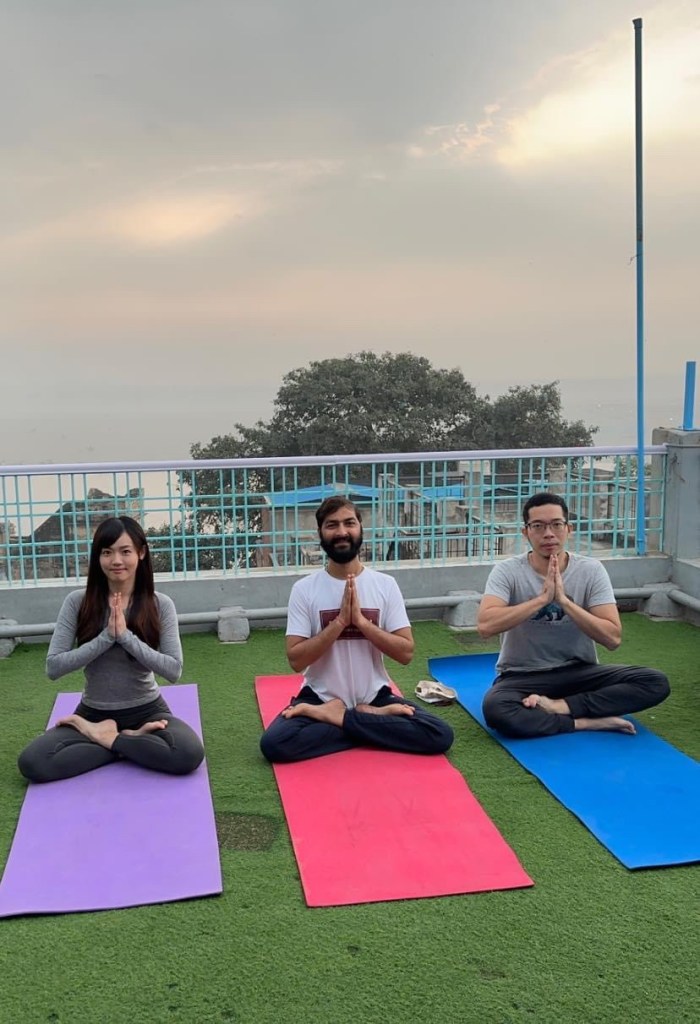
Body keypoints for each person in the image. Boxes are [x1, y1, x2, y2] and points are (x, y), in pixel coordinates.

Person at [260, 497, 454, 763]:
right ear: (320, 533)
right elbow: (296, 660)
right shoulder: (304, 590)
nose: (341, 532)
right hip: (319, 697)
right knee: (275, 744)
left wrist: (362, 623)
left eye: (349, 523)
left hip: (374, 697)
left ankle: (341, 717)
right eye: (332, 525)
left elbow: (406, 652)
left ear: (360, 528)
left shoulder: (385, 585)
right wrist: (339, 623)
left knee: (438, 734)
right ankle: (366, 722)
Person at [18, 516, 204, 782]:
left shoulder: (160, 604)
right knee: (33, 762)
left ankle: (111, 739)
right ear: (98, 557)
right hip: (93, 713)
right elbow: (54, 667)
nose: (116, 560)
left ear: (141, 553)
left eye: (125, 551)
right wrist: (106, 637)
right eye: (107, 552)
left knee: (188, 754)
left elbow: (173, 670)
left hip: (147, 710)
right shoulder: (77, 602)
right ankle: (126, 743)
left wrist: (125, 636)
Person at [478, 492, 670, 739]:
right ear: (526, 532)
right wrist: (541, 600)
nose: (548, 533)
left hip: (580, 672)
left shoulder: (590, 570)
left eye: (556, 524)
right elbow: (485, 625)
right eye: (538, 526)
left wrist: (564, 602)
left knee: (655, 682)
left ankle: (560, 708)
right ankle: (586, 722)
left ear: (569, 529)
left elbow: (612, 638)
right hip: (522, 675)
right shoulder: (507, 571)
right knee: (496, 710)